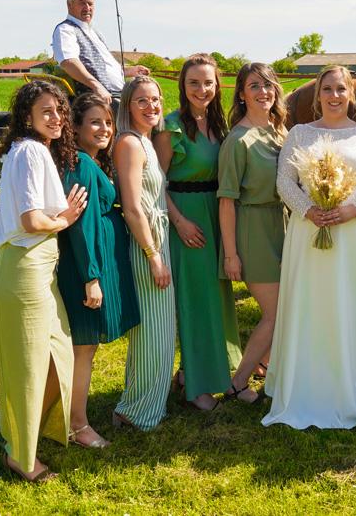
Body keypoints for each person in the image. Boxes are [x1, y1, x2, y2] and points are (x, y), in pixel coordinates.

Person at [263, 65, 356, 429]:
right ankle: (310, 380)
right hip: (308, 232)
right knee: (314, 303)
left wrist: (351, 210)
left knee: (354, 302)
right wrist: (308, 209)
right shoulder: (299, 134)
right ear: (317, 95)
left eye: (341, 90)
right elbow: (284, 181)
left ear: (351, 94)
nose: (334, 96)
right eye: (327, 89)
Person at [0, 80, 87, 482]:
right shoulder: (30, 150)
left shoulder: (33, 150)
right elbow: (31, 220)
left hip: (35, 269)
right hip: (23, 269)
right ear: (26, 116)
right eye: (46, 110)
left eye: (60, 110)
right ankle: (22, 459)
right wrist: (65, 218)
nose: (56, 117)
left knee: (56, 356)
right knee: (30, 369)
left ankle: (26, 435)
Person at [153, 54, 241, 411]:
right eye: (194, 83)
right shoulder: (171, 127)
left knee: (218, 298)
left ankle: (210, 372)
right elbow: (157, 184)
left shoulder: (220, 125)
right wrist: (179, 221)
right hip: (187, 217)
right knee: (195, 302)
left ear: (217, 85)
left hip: (217, 213)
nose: (201, 89)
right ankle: (198, 385)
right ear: (182, 86)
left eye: (208, 82)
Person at [56, 93, 141, 448]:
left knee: (85, 349)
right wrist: (91, 277)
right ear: (74, 127)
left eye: (108, 122)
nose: (105, 128)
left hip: (98, 263)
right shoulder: (82, 165)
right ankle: (78, 425)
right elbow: (82, 225)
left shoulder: (90, 162)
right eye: (95, 122)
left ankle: (71, 418)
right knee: (84, 349)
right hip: (86, 269)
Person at [218, 63, 287, 403]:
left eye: (268, 85)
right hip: (252, 230)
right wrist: (231, 254)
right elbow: (227, 201)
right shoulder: (237, 140)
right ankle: (238, 383)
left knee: (281, 309)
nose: (263, 92)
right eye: (254, 86)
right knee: (276, 313)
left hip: (281, 227)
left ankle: (266, 364)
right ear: (242, 94)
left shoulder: (279, 133)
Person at [111, 76, 176, 430]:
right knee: (153, 332)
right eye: (142, 101)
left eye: (155, 100)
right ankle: (137, 413)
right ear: (128, 107)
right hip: (145, 242)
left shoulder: (147, 142)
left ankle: (141, 404)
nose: (151, 107)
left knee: (160, 330)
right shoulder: (130, 144)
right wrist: (152, 255)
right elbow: (133, 207)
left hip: (159, 236)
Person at [51, 0, 149, 107]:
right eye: (82, 3)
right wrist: (97, 86)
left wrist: (128, 71)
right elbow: (68, 62)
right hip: (97, 99)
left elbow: (102, 67)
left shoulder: (95, 32)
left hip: (118, 94)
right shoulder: (65, 29)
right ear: (69, 5)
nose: (87, 7)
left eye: (90, 3)